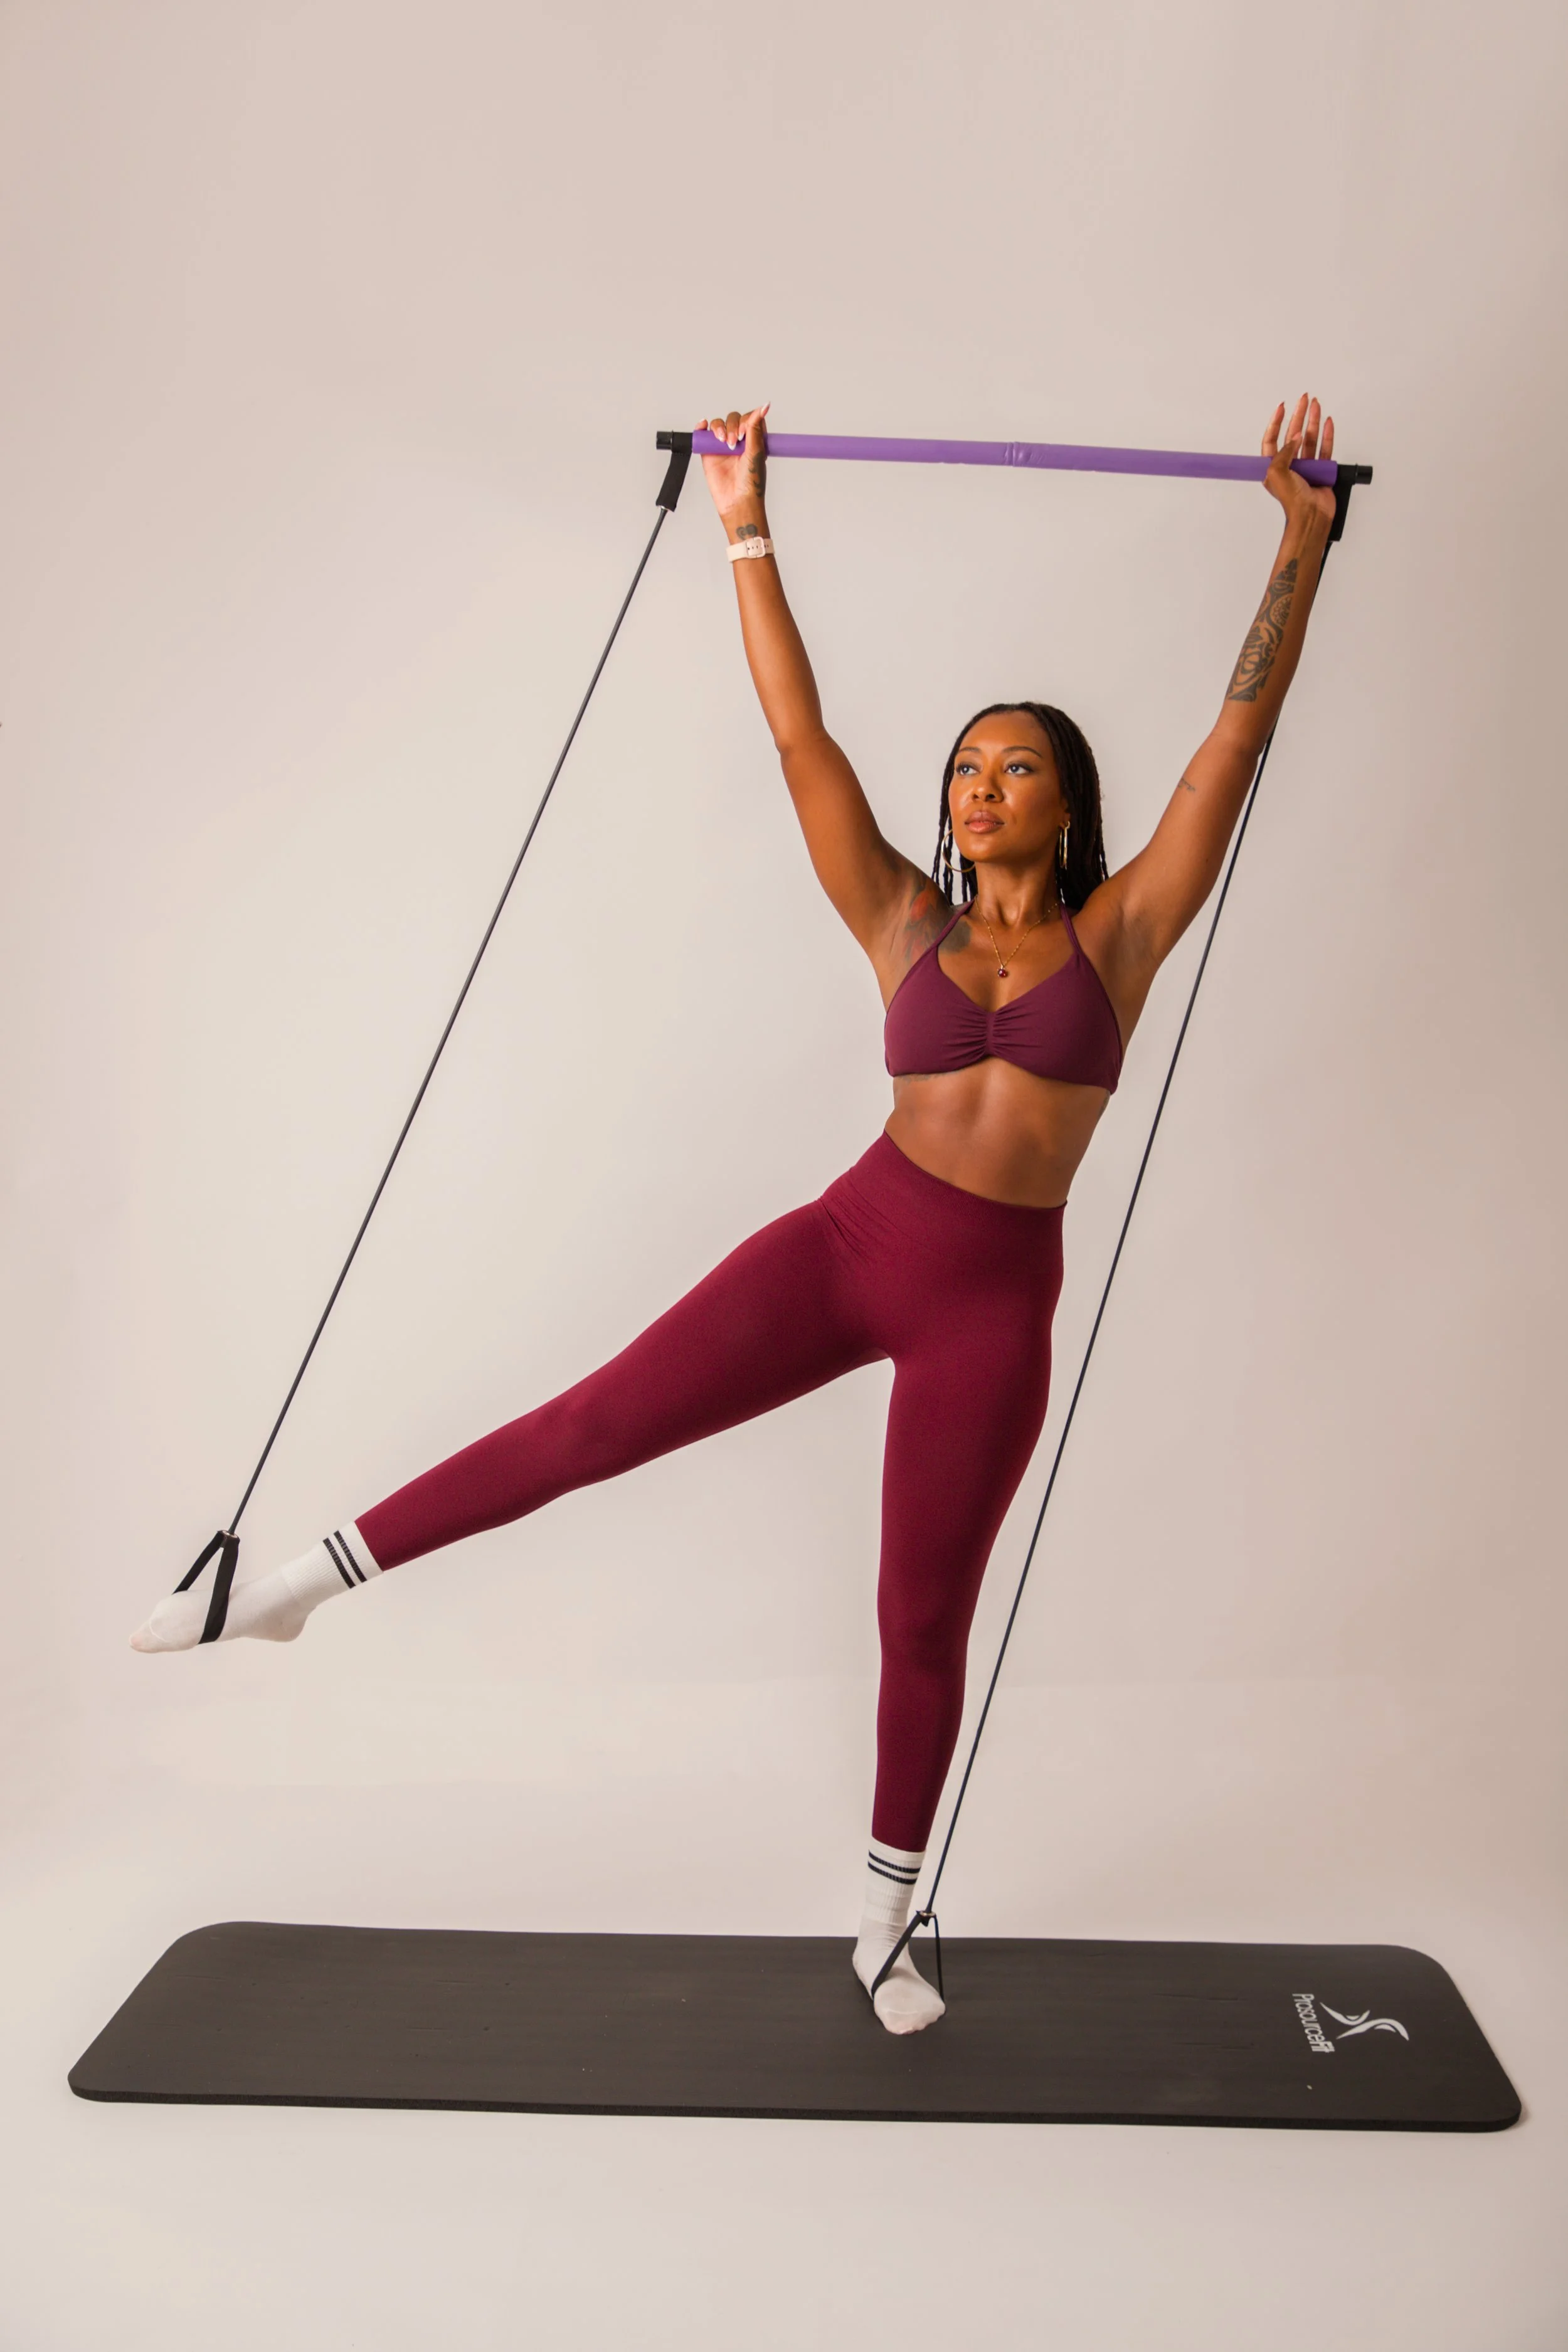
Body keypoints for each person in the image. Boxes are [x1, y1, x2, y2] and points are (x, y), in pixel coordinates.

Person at [132, 395, 1338, 2035]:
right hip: (853, 1243)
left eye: (1018, 765)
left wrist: (1299, 538)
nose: (981, 784)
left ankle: (883, 1920)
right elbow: (802, 742)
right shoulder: (902, 923)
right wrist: (741, 524)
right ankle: (290, 1583)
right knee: (592, 1425)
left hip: (990, 1302)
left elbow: (1230, 742)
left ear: (1068, 804)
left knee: (916, 1616)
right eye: (967, 764)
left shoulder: (1119, 935)